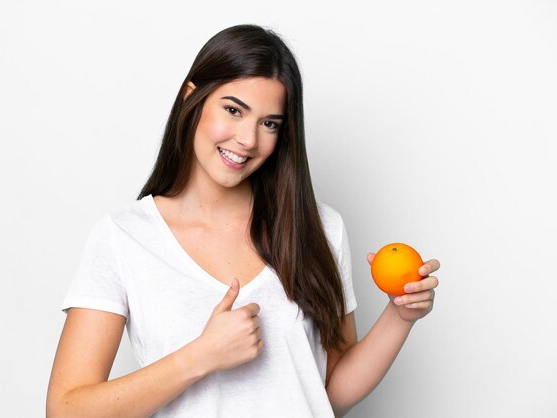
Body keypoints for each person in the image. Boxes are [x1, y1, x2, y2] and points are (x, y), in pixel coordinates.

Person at [46, 24, 440, 418]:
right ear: (192, 98)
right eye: (233, 110)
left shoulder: (318, 228)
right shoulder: (124, 238)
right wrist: (200, 357)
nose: (249, 140)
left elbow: (329, 392)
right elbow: (65, 410)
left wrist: (400, 315)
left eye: (269, 123)